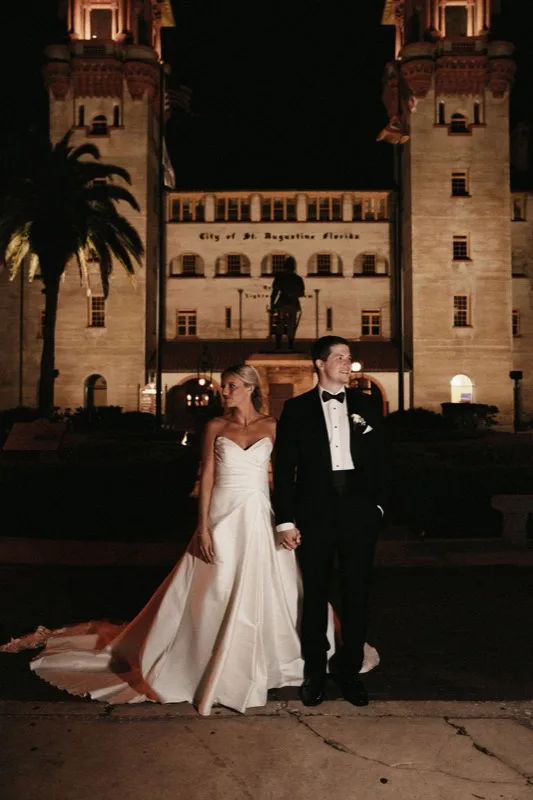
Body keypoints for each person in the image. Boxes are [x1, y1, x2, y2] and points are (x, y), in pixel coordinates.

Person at [1, 363, 379, 713]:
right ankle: (200, 657)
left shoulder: (273, 426)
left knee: (279, 585)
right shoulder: (215, 426)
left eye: (231, 386)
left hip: (261, 514)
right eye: (223, 386)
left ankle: (276, 657)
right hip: (222, 515)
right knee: (216, 585)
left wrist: (289, 520)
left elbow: (285, 478)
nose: (223, 391)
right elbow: (208, 478)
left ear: (250, 388)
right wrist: (203, 527)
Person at [273, 336, 387, 708]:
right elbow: (285, 469)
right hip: (315, 514)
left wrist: (379, 507)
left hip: (358, 513)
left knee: (357, 593)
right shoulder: (296, 409)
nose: (346, 362)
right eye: (338, 357)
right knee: (316, 595)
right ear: (320, 364)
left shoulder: (368, 405)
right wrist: (285, 520)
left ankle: (350, 672)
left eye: (349, 357)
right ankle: (315, 674)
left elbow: (385, 459)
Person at [270, 256, 305, 349]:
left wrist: (272, 304)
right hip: (293, 303)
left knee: (280, 324)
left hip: (282, 302)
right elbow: (301, 292)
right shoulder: (298, 278)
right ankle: (290, 345)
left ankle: (278, 346)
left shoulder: (280, 277)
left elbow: (274, 293)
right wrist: (293, 293)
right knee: (291, 324)